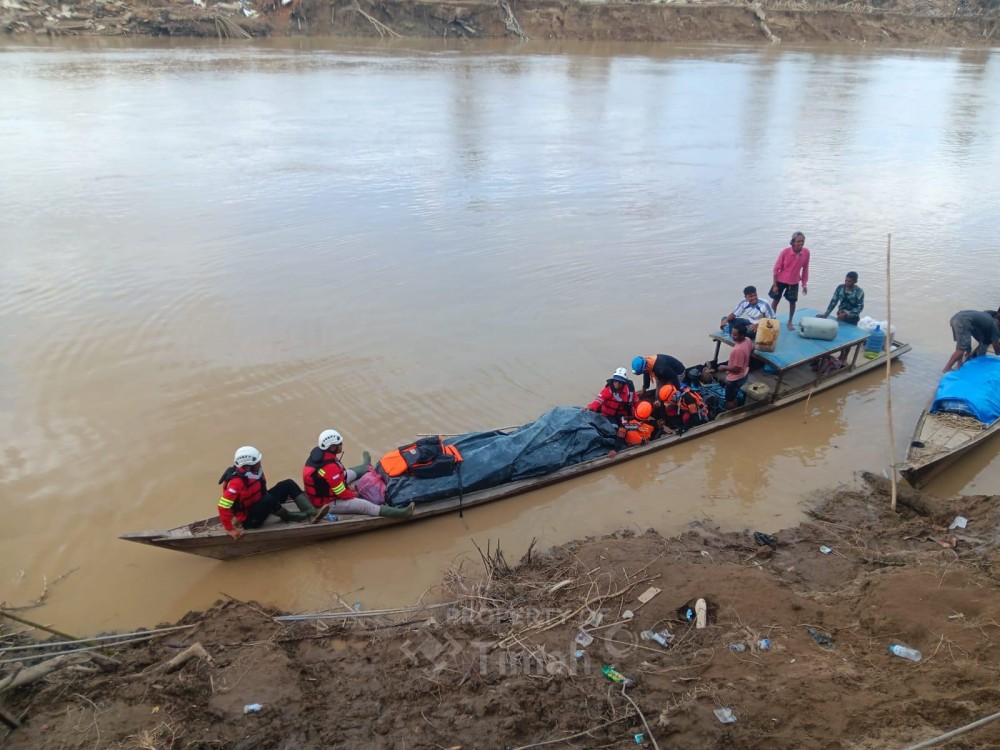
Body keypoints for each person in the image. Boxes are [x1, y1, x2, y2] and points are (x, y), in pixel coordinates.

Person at [218, 446, 329, 541]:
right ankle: (292, 517)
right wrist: (230, 529)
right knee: (268, 499)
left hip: (261, 505)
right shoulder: (236, 483)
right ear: (248, 466)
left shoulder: (255, 471)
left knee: (287, 484)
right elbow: (223, 506)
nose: (260, 463)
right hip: (249, 519)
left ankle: (312, 513)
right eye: (257, 462)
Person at [304, 429, 414, 518]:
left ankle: (365, 466)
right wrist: (354, 494)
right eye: (339, 443)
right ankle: (401, 513)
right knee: (365, 506)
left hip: (327, 486)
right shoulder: (329, 467)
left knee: (349, 473)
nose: (342, 445)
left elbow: (336, 477)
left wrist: (347, 486)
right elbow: (341, 493)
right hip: (327, 503)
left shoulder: (322, 456)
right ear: (332, 447)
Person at [769, 232, 810, 331]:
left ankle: (790, 321)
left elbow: (805, 269)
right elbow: (776, 269)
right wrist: (775, 285)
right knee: (775, 300)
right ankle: (773, 320)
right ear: (793, 242)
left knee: (793, 302)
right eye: (798, 241)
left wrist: (804, 284)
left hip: (794, 281)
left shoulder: (806, 252)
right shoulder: (785, 252)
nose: (800, 243)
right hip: (780, 280)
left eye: (802, 241)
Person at [943, 308, 1000, 373]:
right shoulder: (995, 327)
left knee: (961, 345)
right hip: (963, 322)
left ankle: (959, 364)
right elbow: (997, 350)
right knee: (962, 349)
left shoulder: (988, 315)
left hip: (957, 317)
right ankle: (947, 368)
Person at [717, 321, 753, 410]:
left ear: (742, 335)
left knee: (730, 399)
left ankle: (732, 413)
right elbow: (752, 349)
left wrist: (724, 367)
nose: (732, 336)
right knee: (734, 392)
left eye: (735, 335)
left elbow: (737, 369)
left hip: (736, 378)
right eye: (732, 333)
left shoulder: (738, 350)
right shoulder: (747, 340)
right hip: (745, 373)